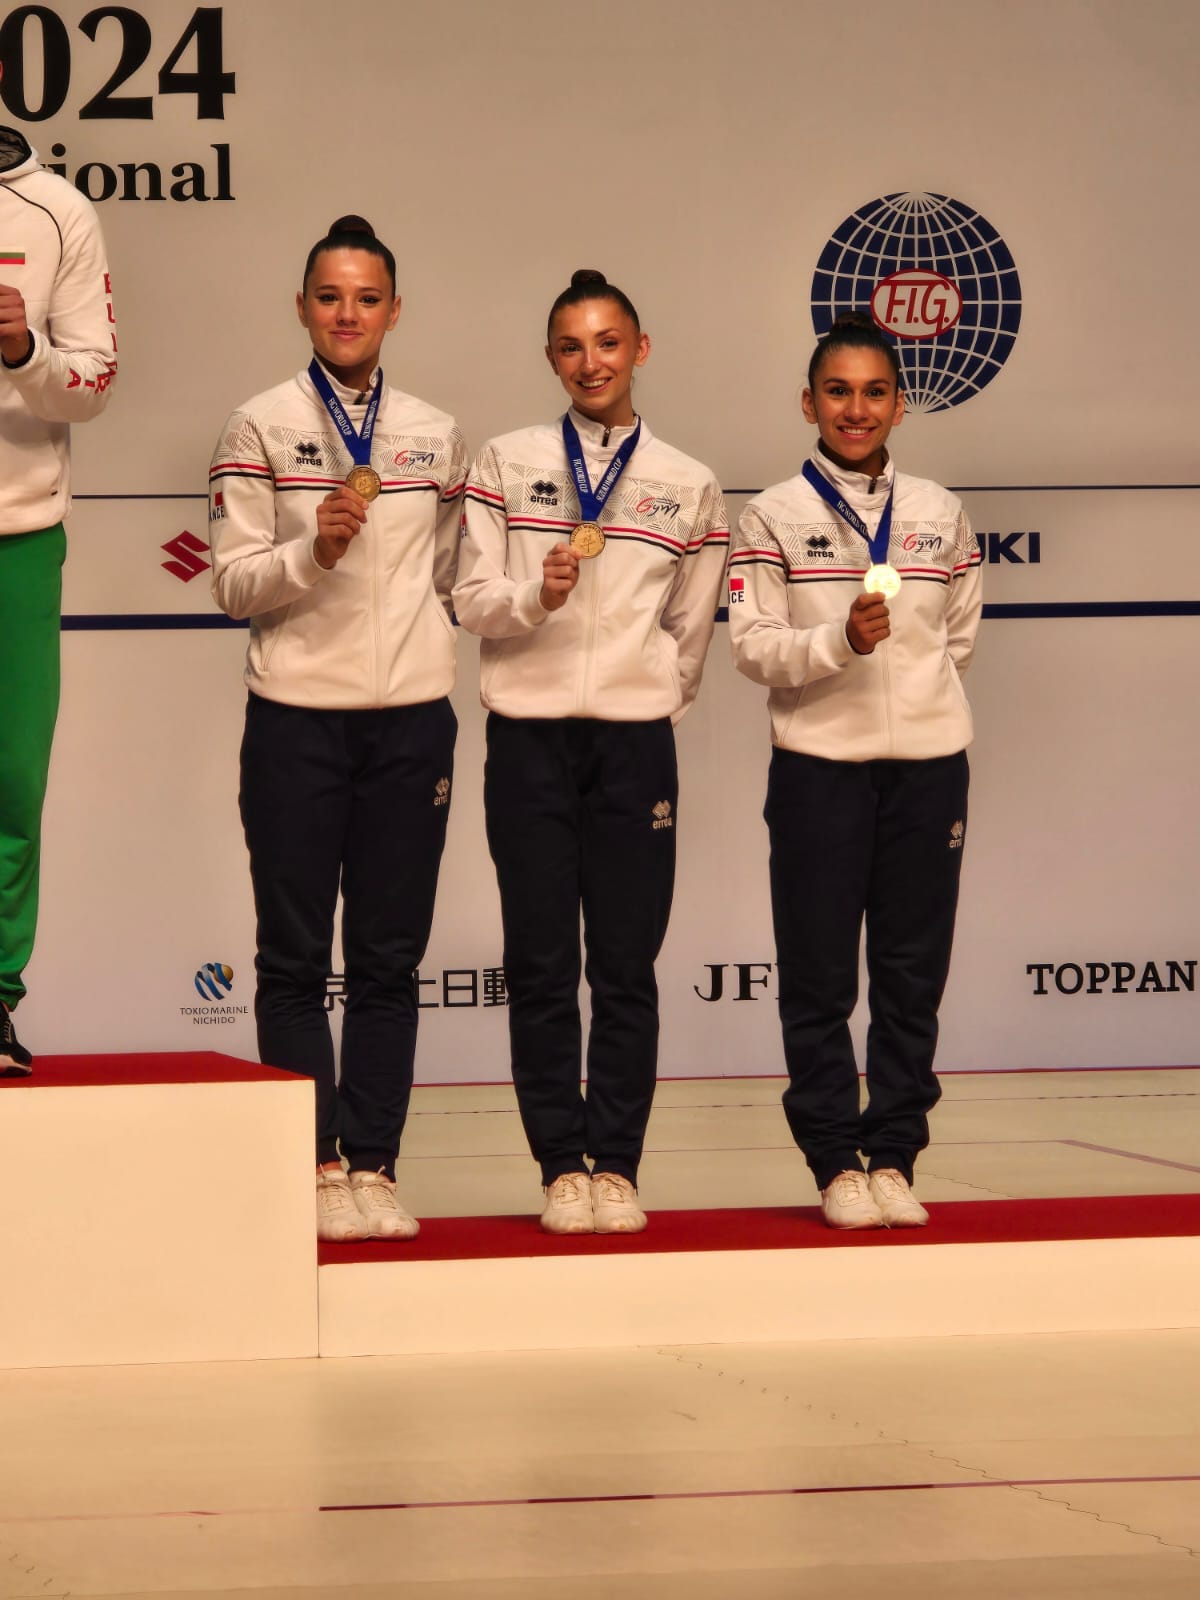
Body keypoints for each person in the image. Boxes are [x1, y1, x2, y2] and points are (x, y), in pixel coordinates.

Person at [454, 268, 728, 1236]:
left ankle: (617, 1161)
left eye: (608, 343)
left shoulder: (687, 482)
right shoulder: (503, 459)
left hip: (632, 748)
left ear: (639, 350)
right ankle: (559, 1163)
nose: (591, 361)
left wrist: (644, 699)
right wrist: (539, 594)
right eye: (572, 346)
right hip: (526, 740)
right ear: (551, 359)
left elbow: (691, 635)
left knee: (623, 963)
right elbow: (470, 601)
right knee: (538, 960)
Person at [209, 215, 465, 1242]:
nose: (347, 314)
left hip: (411, 723)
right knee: (292, 957)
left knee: (392, 960)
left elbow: (451, 577)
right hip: (296, 723)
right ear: (303, 305)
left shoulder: (437, 435)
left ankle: (375, 1161)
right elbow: (232, 582)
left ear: (393, 310)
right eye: (329, 296)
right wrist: (311, 550)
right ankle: (311, 1163)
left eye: (366, 298)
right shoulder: (258, 425)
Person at [727, 311, 982, 1230]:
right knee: (821, 977)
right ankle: (836, 1159)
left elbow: (957, 638)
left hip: (927, 768)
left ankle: (896, 1153)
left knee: (913, 974)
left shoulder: (941, 513)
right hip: (819, 771)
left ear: (900, 406)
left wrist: (911, 697)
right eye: (838, 391)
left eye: (875, 392)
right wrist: (838, 642)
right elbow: (753, 648)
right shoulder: (771, 515)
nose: (856, 409)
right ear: (809, 402)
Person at [0, 90, 117, 1078]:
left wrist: (23, 349)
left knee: (8, 782)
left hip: (16, 532)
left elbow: (94, 378)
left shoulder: (54, 209)